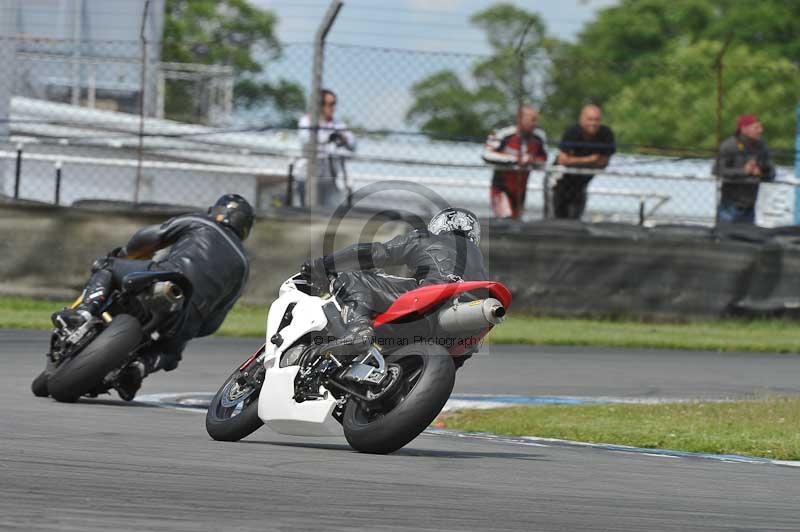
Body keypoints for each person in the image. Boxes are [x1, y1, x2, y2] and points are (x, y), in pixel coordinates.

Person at [51, 194, 254, 399]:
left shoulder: (200, 222)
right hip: (190, 314)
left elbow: (152, 235)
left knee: (106, 266)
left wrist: (126, 254)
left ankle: (84, 313)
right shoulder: (243, 265)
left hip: (165, 275)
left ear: (215, 211)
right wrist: (192, 328)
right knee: (171, 353)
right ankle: (140, 368)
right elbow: (215, 320)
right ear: (245, 227)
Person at [302, 207, 487, 364]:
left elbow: (377, 253)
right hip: (469, 314)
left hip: (432, 298)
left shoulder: (426, 237)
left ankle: (358, 330)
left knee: (352, 279)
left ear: (440, 225)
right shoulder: (479, 261)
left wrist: (322, 265)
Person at [551, 104, 616, 219]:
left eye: (596, 120)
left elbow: (603, 162)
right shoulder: (572, 132)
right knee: (556, 216)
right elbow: (563, 160)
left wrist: (574, 160)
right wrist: (590, 159)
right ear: (581, 119)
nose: (593, 123)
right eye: (590, 119)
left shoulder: (605, 134)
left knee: (575, 217)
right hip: (559, 182)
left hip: (581, 185)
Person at [482, 106, 548, 220]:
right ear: (520, 119)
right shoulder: (504, 133)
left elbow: (543, 160)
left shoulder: (538, 137)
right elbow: (487, 154)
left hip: (520, 189)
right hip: (501, 186)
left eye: (536, 120)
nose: (535, 124)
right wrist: (515, 159)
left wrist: (531, 160)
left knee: (516, 221)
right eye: (532, 120)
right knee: (505, 218)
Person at [295, 89, 356, 208]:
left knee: (329, 212)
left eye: (334, 104)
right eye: (330, 104)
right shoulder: (306, 121)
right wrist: (330, 137)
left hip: (330, 176)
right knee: (307, 212)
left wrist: (343, 138)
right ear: (320, 105)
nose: (333, 108)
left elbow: (352, 143)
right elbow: (307, 139)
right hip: (308, 175)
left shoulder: (338, 124)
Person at [713, 114, 775, 224]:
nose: (761, 130)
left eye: (760, 127)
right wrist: (743, 171)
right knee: (725, 234)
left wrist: (760, 173)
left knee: (747, 234)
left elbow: (771, 173)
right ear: (744, 129)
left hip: (750, 207)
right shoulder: (729, 145)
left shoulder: (762, 146)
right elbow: (717, 170)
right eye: (756, 127)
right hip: (730, 206)